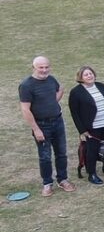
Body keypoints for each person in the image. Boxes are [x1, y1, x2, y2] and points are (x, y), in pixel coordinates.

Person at [21, 56, 75, 195]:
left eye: (46, 67)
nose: (44, 70)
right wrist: (36, 129)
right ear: (34, 68)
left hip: (57, 121)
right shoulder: (27, 85)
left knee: (61, 153)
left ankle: (62, 179)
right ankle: (47, 183)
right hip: (41, 125)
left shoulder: (51, 80)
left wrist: (56, 97)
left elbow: (57, 94)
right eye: (41, 67)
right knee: (45, 156)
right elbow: (25, 109)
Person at [68, 65, 104, 185]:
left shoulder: (101, 86)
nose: (89, 76)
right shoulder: (76, 92)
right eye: (86, 74)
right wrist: (82, 130)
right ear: (80, 77)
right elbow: (74, 113)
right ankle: (91, 173)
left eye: (90, 73)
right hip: (92, 127)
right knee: (92, 150)